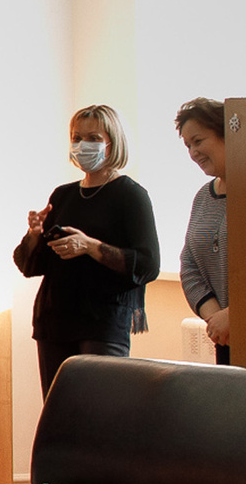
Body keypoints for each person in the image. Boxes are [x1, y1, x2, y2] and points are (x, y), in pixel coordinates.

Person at [15, 104, 160, 396]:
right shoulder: (62, 195)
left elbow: (147, 265)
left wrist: (91, 246)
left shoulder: (131, 195)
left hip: (102, 324)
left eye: (93, 138)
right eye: (77, 138)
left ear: (112, 142)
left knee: (100, 411)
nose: (83, 145)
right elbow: (30, 266)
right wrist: (34, 234)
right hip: (54, 321)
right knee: (59, 413)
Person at [175, 98, 230, 363]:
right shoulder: (203, 198)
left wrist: (236, 314)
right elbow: (190, 266)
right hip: (224, 334)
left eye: (198, 141)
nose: (194, 152)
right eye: (188, 146)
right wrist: (215, 317)